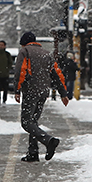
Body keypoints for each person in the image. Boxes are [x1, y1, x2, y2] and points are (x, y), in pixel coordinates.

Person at [13, 31, 70, 162]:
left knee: (26, 122)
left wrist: (17, 90)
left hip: (31, 91)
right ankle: (33, 153)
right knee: (33, 122)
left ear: (24, 43)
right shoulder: (46, 54)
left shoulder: (25, 52)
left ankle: (49, 140)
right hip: (43, 92)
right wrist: (63, 93)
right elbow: (56, 74)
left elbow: (20, 71)